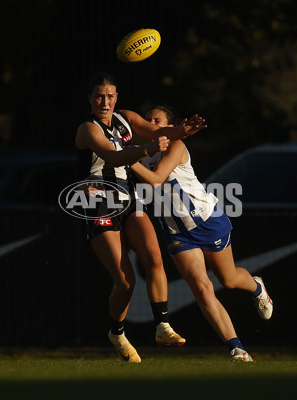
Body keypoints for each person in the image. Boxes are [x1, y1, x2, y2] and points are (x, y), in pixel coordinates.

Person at [74, 73, 207, 363]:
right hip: (99, 202)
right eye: (98, 96)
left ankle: (162, 326)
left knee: (155, 259)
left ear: (117, 97)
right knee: (125, 281)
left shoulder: (127, 118)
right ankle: (117, 332)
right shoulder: (87, 128)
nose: (104, 101)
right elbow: (114, 157)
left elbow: (158, 132)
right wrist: (146, 149)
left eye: (110, 96)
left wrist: (182, 130)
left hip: (130, 199)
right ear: (90, 99)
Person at [130, 105, 273, 362]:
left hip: (207, 222)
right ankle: (237, 349)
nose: (151, 123)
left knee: (227, 279)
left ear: (169, 126)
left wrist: (128, 159)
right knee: (202, 288)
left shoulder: (176, 146)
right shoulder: (141, 154)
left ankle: (256, 286)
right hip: (177, 233)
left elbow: (156, 179)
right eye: (148, 120)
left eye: (158, 119)